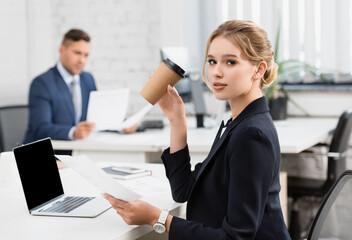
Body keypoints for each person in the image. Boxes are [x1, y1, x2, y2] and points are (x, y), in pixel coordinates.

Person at [103, 20, 291, 239]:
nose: (216, 73)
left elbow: (236, 237)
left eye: (230, 62)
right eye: (212, 61)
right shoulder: (236, 123)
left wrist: (158, 218)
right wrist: (177, 121)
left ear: (258, 69)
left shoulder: (251, 134)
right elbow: (183, 190)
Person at [24, 29, 137, 144]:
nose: (82, 60)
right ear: (62, 50)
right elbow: (40, 128)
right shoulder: (42, 83)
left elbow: (97, 118)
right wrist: (73, 132)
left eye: (86, 55)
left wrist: (123, 126)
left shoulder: (87, 79)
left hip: (79, 148)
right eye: (77, 53)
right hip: (48, 153)